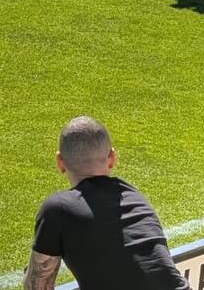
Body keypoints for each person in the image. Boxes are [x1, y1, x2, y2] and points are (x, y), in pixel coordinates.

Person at [22, 116, 189, 290]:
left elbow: (37, 286)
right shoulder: (134, 196)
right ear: (112, 157)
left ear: (60, 162)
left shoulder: (57, 208)